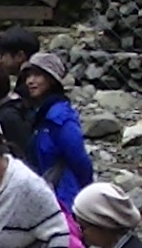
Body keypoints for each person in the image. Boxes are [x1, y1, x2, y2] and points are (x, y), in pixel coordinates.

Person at [18, 51, 94, 211]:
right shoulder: (39, 114)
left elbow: (79, 159)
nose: (30, 81)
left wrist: (85, 192)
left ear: (51, 80)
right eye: (28, 76)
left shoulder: (59, 117)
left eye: (37, 76)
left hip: (64, 196)